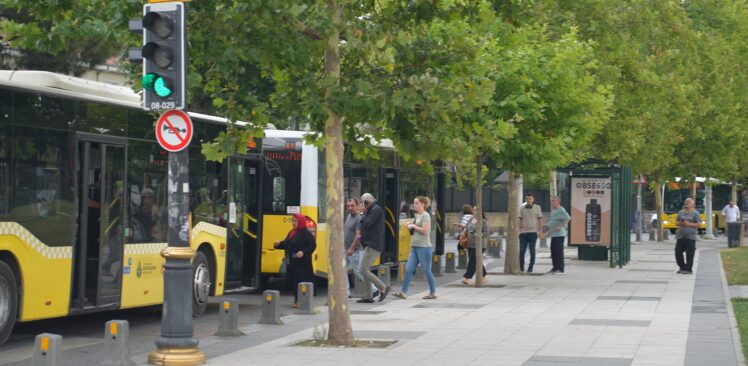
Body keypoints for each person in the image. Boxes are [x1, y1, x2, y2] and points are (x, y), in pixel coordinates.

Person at [393, 196, 437, 299]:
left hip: (424, 247)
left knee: (426, 270)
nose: (414, 205)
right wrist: (409, 226)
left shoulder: (426, 215)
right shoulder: (416, 215)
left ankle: (433, 292)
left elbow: (424, 231)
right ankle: (404, 292)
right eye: (414, 203)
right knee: (408, 269)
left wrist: (413, 226)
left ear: (423, 204)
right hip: (414, 246)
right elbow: (414, 232)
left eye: (416, 203)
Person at [274, 213, 317, 308]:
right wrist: (278, 244)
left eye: (295, 221)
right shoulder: (292, 232)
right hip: (292, 261)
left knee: (300, 280)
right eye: (292, 221)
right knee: (292, 280)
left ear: (300, 222)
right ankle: (297, 299)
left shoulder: (306, 233)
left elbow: (312, 245)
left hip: (302, 263)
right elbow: (286, 244)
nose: (293, 223)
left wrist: (303, 252)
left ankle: (299, 300)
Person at [357, 193, 390, 303]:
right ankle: (368, 295)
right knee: (365, 269)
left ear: (367, 202)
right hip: (369, 244)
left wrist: (361, 213)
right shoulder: (371, 210)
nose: (361, 205)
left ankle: (382, 287)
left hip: (373, 244)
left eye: (363, 203)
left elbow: (367, 223)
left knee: (363, 269)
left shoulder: (375, 210)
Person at [345, 198, 378, 298]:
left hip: (355, 250)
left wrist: (351, 248)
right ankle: (345, 293)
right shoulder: (349, 216)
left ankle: (374, 290)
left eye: (352, 205)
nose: (350, 208)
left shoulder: (359, 218)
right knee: (342, 271)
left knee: (359, 272)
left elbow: (358, 235)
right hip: (345, 249)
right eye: (348, 206)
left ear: (357, 205)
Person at [544, 196, 570, 274]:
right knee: (553, 251)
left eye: (553, 201)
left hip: (559, 235)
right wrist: (547, 234)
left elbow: (568, 218)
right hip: (554, 235)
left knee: (558, 252)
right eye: (551, 201)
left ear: (558, 202)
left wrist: (561, 226)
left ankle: (560, 269)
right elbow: (553, 223)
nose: (552, 202)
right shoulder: (553, 211)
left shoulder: (561, 209)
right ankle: (555, 267)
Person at [461, 208, 488, 285]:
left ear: (480, 212)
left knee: (472, 261)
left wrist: (479, 235)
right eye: (473, 210)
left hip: (480, 244)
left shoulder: (483, 221)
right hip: (470, 243)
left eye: (476, 210)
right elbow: (466, 227)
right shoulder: (471, 219)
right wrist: (463, 232)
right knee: (476, 260)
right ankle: (484, 275)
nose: (474, 212)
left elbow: (487, 233)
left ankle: (467, 278)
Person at [675, 197, 701, 275]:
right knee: (678, 252)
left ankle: (688, 269)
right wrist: (680, 223)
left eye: (689, 201)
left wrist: (688, 224)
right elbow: (676, 222)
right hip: (681, 236)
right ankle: (682, 267)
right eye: (686, 201)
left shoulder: (696, 213)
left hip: (691, 237)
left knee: (689, 254)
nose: (687, 202)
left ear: (693, 204)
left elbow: (699, 224)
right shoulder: (681, 212)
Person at [519, 193, 543, 273]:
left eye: (530, 199)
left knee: (532, 251)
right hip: (523, 233)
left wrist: (540, 231)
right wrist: (519, 230)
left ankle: (530, 267)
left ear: (533, 200)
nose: (529, 200)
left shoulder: (537, 207)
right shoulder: (522, 208)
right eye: (527, 199)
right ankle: (521, 267)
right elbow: (520, 219)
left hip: (533, 233)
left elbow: (540, 220)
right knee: (522, 251)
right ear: (525, 200)